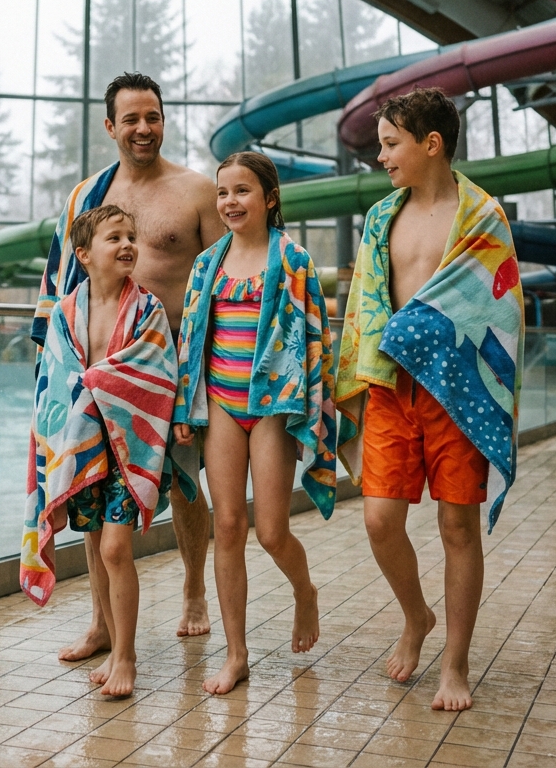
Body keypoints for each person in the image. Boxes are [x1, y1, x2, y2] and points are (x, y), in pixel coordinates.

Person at [335, 87, 523, 712]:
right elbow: (367, 299)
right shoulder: (382, 216)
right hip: (392, 386)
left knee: (456, 525)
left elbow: (497, 307)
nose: (382, 157)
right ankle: (417, 615)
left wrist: (430, 337)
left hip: (457, 391)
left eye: (391, 144)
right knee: (380, 519)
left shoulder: (481, 217)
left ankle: (456, 663)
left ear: (431, 144)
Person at [32, 72, 226, 658]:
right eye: (133, 119)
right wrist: (52, 367)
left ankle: (194, 588)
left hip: (177, 365)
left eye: (154, 117)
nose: (145, 129)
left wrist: (208, 371)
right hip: (97, 373)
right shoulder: (87, 197)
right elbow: (64, 279)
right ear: (111, 125)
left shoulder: (195, 192)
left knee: (188, 483)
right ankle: (100, 622)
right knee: (92, 488)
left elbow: (227, 277)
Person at [173, 151, 338, 695]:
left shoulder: (291, 261)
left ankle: (306, 592)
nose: (230, 202)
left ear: (269, 199)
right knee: (227, 527)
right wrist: (182, 408)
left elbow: (315, 339)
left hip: (271, 404)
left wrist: (318, 407)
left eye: (242, 191)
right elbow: (191, 342)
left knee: (270, 531)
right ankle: (236, 653)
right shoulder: (208, 264)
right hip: (221, 403)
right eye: (223, 192)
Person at [20, 205, 178, 697]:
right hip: (85, 446)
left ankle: (127, 656)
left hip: (129, 447)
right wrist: (86, 390)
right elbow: (54, 380)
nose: (128, 244)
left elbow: (157, 372)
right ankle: (109, 640)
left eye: (132, 236)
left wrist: (96, 379)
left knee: (115, 547)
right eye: (115, 238)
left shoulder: (147, 308)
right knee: (94, 545)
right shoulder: (67, 310)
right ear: (85, 255)